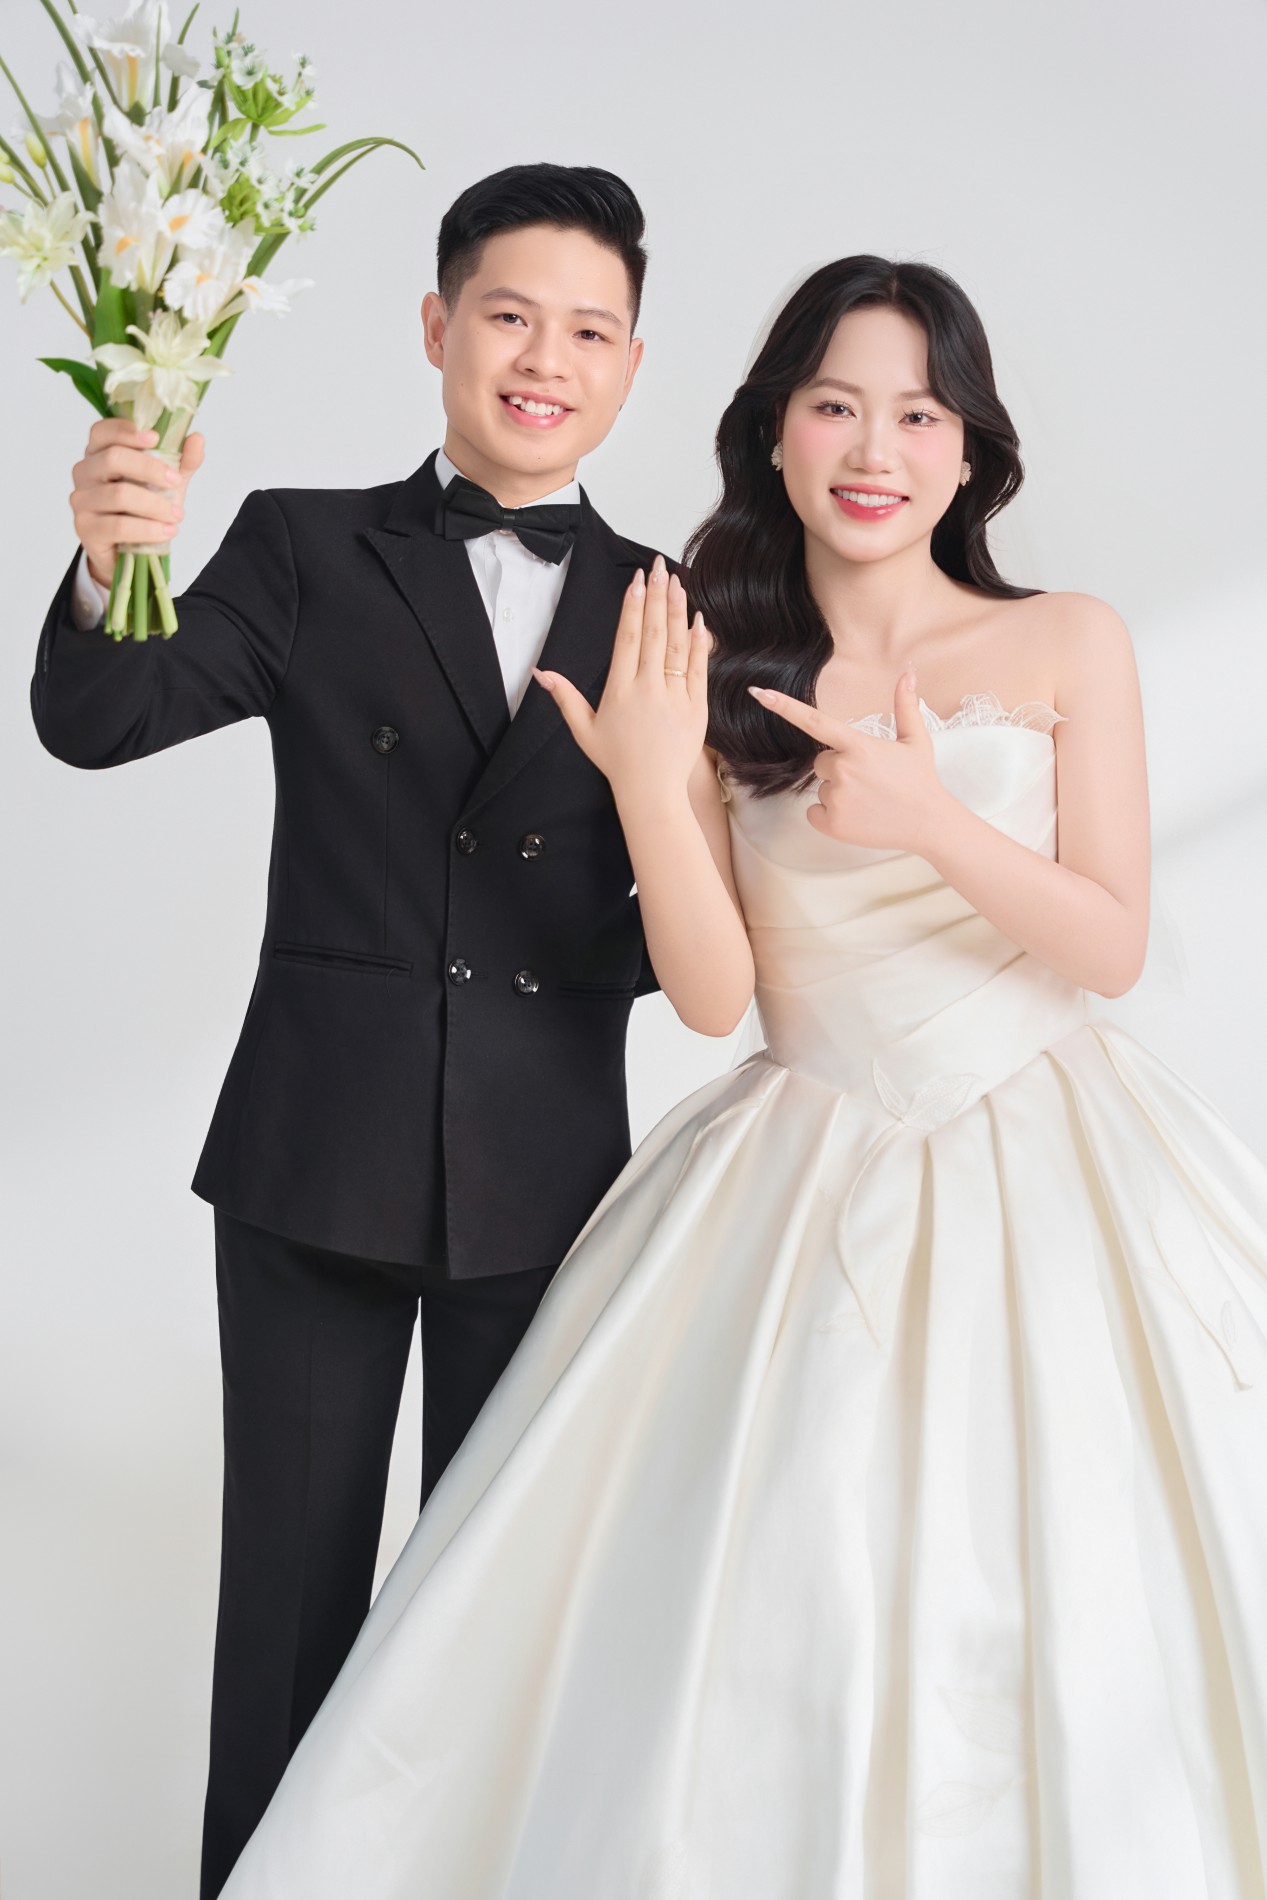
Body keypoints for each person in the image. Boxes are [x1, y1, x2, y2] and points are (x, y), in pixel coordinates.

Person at [217, 252, 1267, 1898]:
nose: (876, 450)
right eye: (836, 406)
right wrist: (652, 778)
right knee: (771, 1587)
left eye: (919, 415)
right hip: (803, 1149)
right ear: (776, 433)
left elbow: (1111, 942)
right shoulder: (705, 668)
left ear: (971, 451)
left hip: (1056, 1157)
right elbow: (715, 997)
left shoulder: (1068, 641)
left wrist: (930, 819)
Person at [30, 163, 678, 1898]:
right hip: (315, 1161)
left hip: (548, 1189)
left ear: (631, 365)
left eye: (589, 331)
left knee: (497, 1630)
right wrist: (111, 565)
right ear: (437, 327)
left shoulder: (667, 601)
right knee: (288, 1617)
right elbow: (105, 718)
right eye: (510, 316)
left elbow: (714, 894)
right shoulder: (306, 544)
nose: (545, 359)